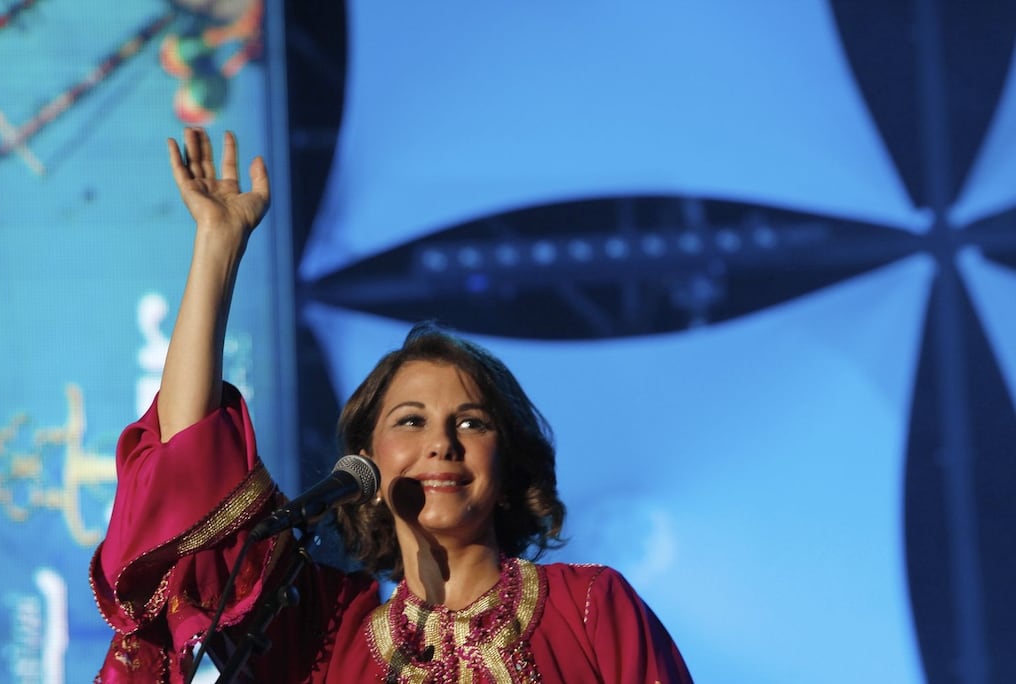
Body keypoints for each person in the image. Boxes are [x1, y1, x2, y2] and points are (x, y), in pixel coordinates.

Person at [90, 128, 694, 683]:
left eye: (471, 423)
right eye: (411, 420)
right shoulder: (325, 639)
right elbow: (188, 473)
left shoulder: (589, 606)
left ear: (506, 470)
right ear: (367, 467)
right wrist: (218, 247)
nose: (442, 443)